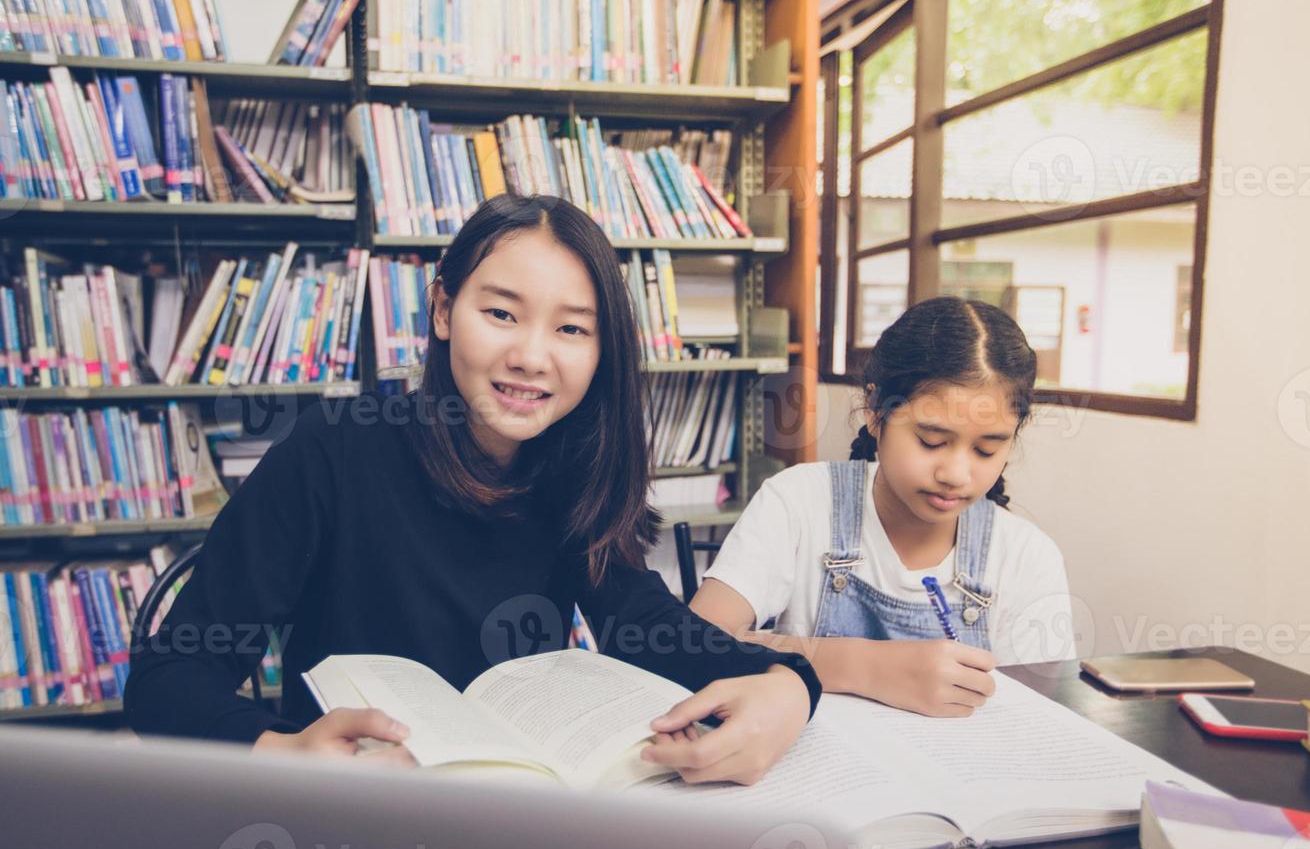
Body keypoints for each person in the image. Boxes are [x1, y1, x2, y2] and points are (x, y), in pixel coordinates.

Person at [125, 193, 820, 785]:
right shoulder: (332, 449)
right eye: (502, 314)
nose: (530, 355)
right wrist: (283, 752)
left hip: (515, 818)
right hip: (354, 818)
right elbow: (169, 677)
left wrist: (791, 688)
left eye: (572, 328)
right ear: (441, 310)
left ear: (602, 350)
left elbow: (645, 625)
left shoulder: (572, 464)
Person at [690, 296, 1074, 717]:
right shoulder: (800, 501)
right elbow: (697, 639)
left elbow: (1038, 715)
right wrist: (866, 667)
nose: (956, 474)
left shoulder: (1025, 556)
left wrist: (778, 649)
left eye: (986, 449)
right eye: (931, 441)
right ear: (875, 413)